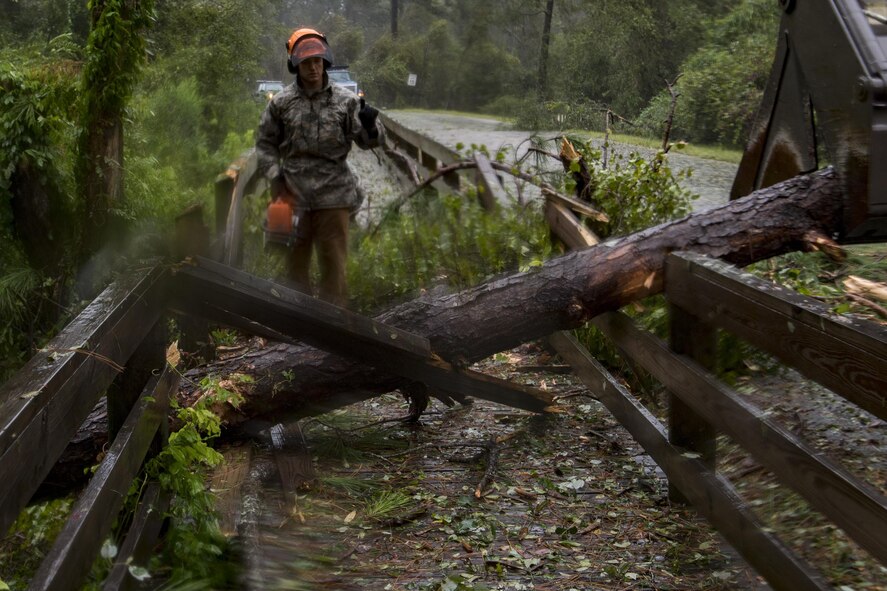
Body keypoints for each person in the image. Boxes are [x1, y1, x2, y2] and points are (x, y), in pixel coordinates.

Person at [256, 28, 383, 306]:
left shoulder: (346, 101)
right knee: (294, 273)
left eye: (317, 62)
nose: (312, 68)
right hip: (292, 196)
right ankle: (296, 339)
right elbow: (264, 144)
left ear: (324, 62)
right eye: (306, 63)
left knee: (334, 272)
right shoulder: (281, 103)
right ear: (296, 66)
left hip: (334, 196)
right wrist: (274, 175)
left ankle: (333, 336)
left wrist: (371, 126)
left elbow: (368, 142)